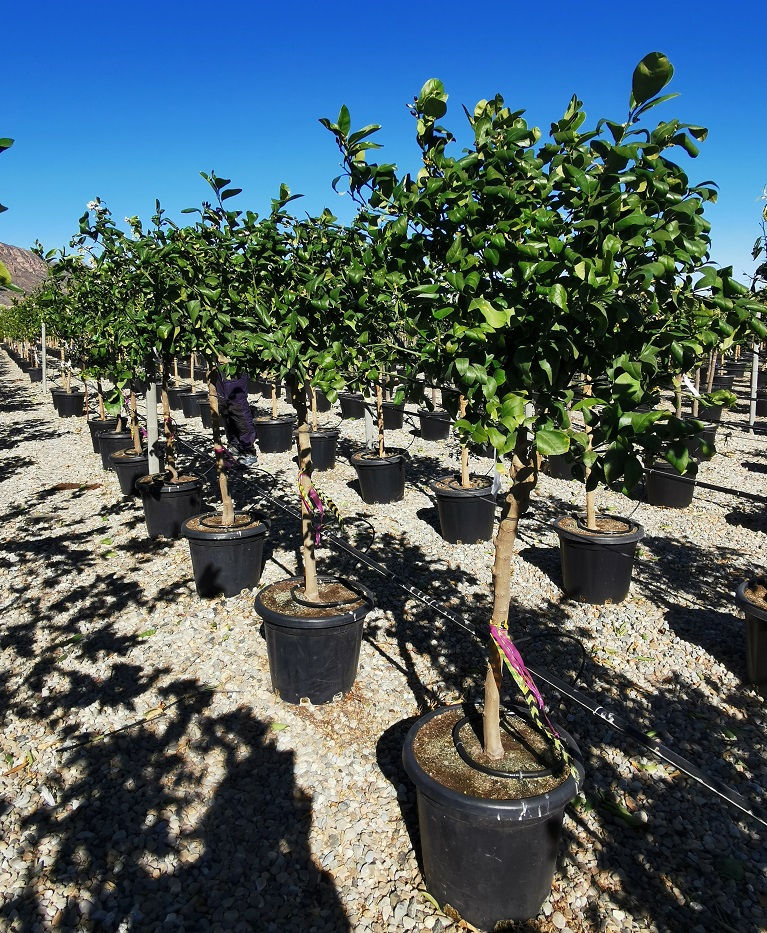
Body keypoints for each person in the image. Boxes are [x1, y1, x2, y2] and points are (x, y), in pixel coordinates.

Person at [215, 373, 258, 466]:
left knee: (238, 407)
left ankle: (248, 450)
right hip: (219, 370)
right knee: (224, 407)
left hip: (233, 368)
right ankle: (234, 445)